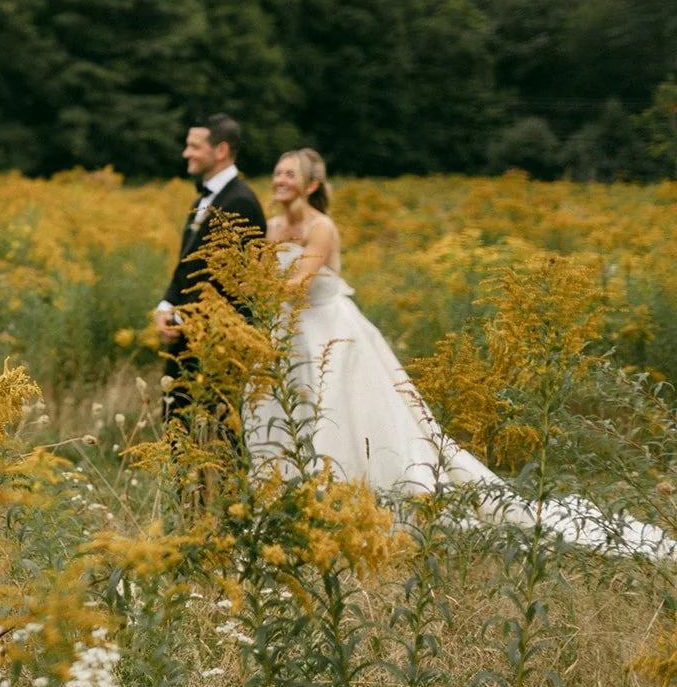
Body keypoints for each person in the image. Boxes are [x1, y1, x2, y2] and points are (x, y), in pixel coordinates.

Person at [244, 147, 672, 558]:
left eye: (289, 174)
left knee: (339, 414)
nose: (280, 180)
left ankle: (350, 504)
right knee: (285, 412)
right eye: (278, 173)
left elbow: (296, 283)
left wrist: (248, 290)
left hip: (332, 330)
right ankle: (289, 504)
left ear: (312, 183)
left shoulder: (322, 227)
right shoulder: (272, 226)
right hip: (289, 331)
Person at [154, 113, 268, 425]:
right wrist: (166, 304)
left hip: (216, 345)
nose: (185, 153)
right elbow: (189, 264)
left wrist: (180, 317)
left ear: (220, 150)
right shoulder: (205, 197)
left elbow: (228, 283)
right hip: (188, 333)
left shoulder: (240, 202)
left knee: (214, 434)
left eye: (194, 146)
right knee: (177, 429)